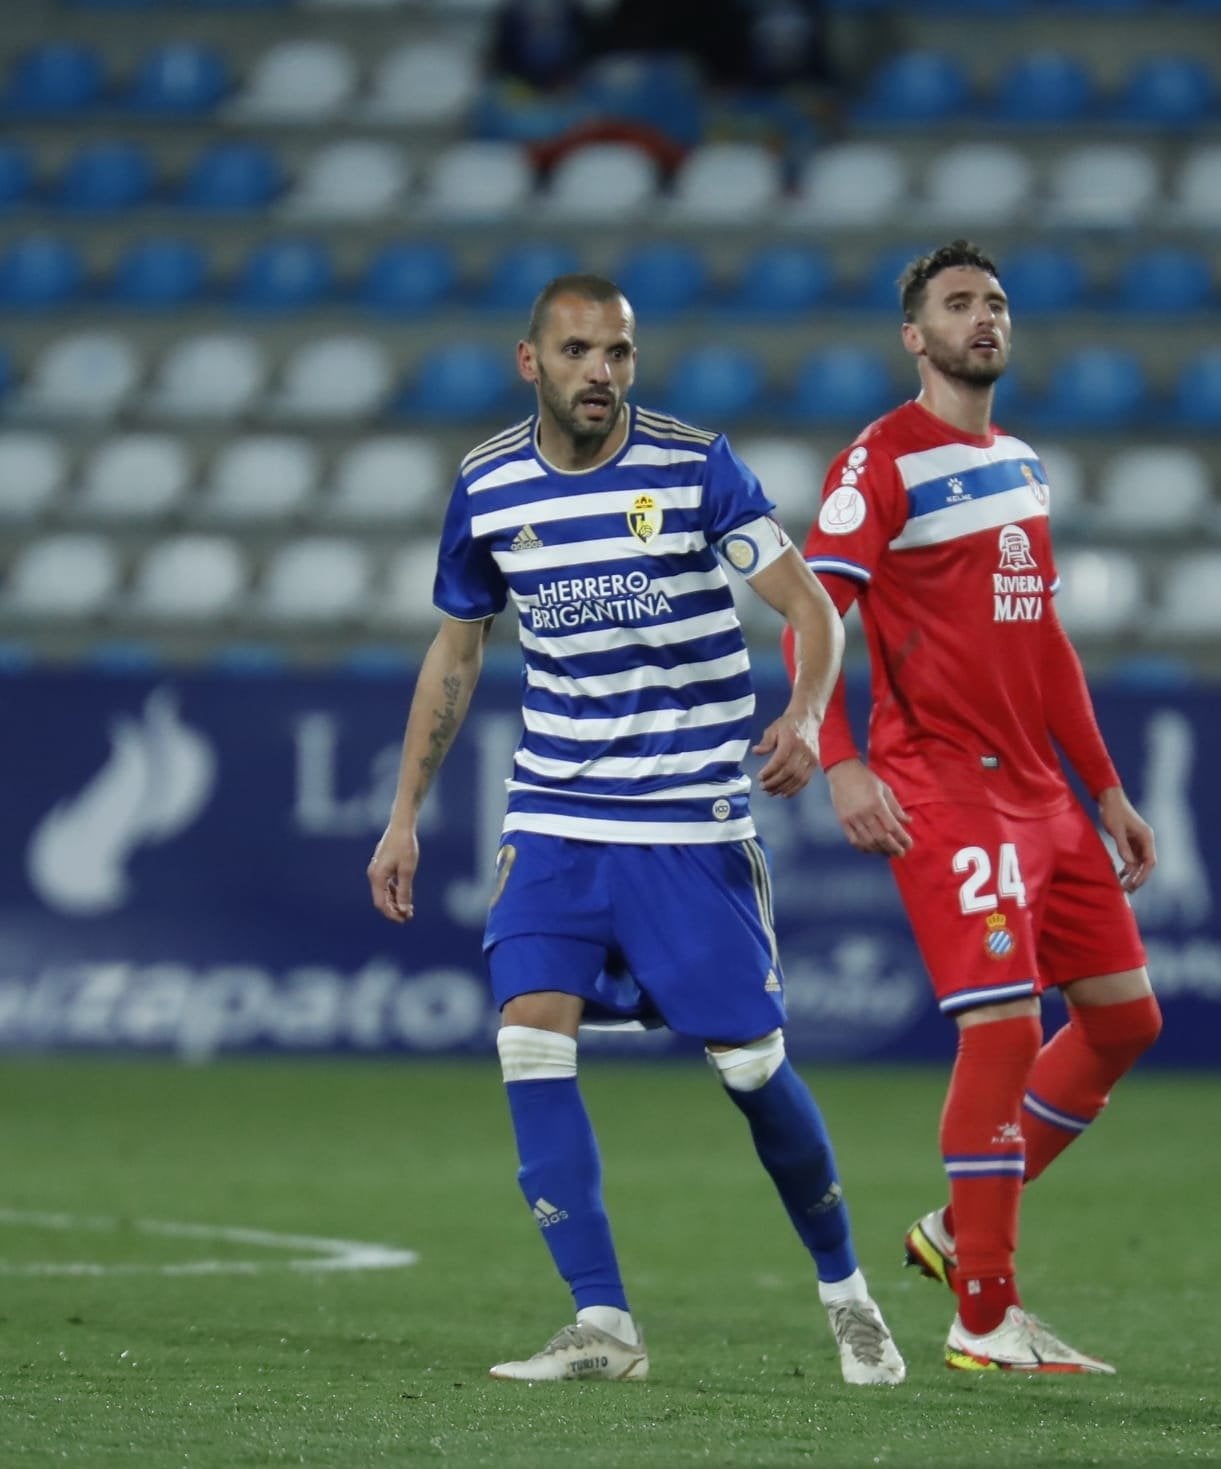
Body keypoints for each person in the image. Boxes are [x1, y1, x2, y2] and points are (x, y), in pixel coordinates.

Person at [367, 273, 904, 1388]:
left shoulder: (693, 464)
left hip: (687, 819)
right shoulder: (487, 484)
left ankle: (847, 1290)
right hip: (557, 812)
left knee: (752, 1066)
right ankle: (602, 1321)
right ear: (533, 364)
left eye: (616, 351)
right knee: (528, 1029)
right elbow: (458, 650)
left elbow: (808, 604)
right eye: (576, 352)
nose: (600, 372)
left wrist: (803, 713)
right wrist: (404, 814)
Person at [789, 240, 1164, 1375]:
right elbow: (818, 611)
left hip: (1043, 791)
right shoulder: (880, 461)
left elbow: (1042, 638)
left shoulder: (1020, 464)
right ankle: (985, 1314)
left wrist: (1104, 787)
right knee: (1001, 1025)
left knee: (1122, 1020)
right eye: (957, 303)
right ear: (915, 336)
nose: (982, 317)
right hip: (942, 783)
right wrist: (838, 756)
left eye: (995, 301)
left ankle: (957, 1226)